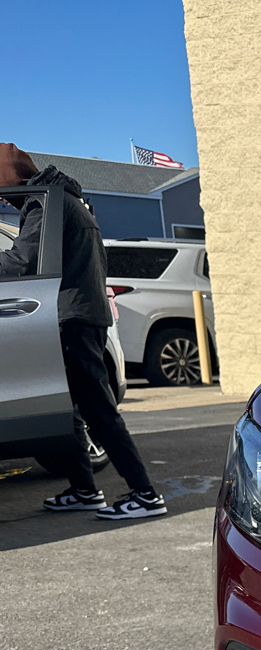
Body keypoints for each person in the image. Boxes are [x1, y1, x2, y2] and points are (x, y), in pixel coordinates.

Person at [0, 143, 165, 519]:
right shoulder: (68, 202)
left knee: (97, 411)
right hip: (76, 315)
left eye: (4, 196)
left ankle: (145, 495)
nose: (7, 205)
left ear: (14, 184)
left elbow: (22, 261)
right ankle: (84, 489)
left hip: (71, 318)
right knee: (69, 408)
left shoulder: (45, 207)